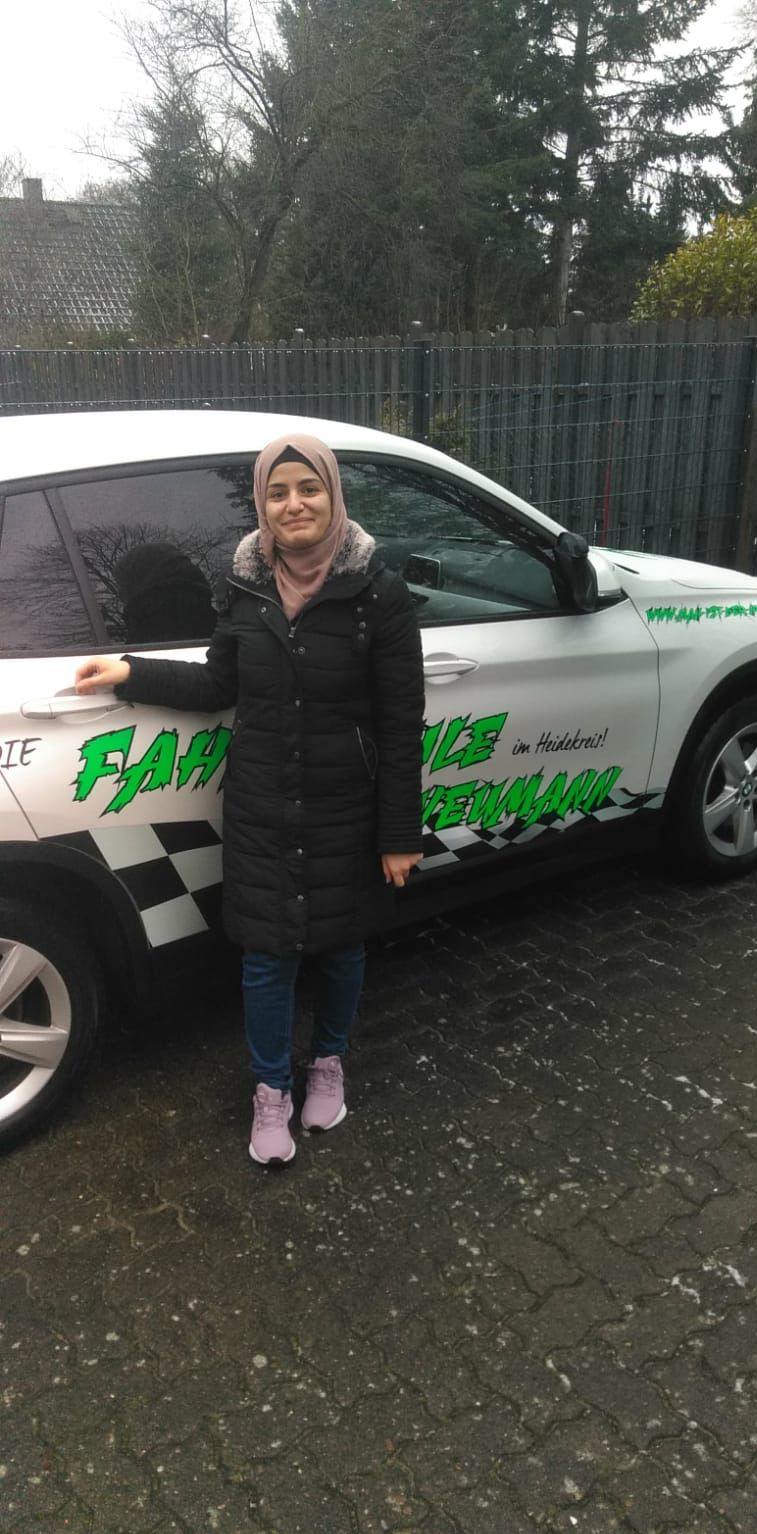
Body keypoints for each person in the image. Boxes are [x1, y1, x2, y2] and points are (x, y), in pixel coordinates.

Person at [76, 434, 425, 1167]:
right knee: (266, 958)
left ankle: (327, 1063)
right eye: (277, 492)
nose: (294, 504)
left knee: (342, 947)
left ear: (333, 495)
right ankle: (271, 1090)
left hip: (346, 805)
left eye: (309, 488)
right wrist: (131, 672)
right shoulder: (245, 588)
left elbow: (401, 727)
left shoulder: (379, 595)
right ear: (262, 505)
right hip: (261, 803)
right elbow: (218, 684)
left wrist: (399, 833)